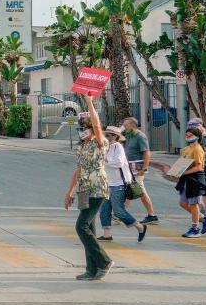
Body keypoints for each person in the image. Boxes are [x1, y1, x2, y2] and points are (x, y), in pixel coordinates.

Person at [63, 94, 112, 280]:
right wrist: (69, 192)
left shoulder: (100, 143)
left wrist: (89, 101)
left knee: (81, 226)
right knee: (89, 228)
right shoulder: (81, 147)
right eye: (80, 128)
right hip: (84, 189)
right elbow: (77, 170)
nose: (82, 130)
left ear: (92, 129)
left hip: (97, 187)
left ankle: (104, 261)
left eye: (85, 127)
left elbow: (98, 125)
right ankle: (92, 269)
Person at [97, 126, 149, 243]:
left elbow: (119, 163)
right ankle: (107, 235)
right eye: (105, 135)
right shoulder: (106, 148)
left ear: (115, 137)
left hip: (118, 184)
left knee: (118, 211)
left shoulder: (118, 147)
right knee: (104, 210)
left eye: (109, 135)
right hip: (107, 183)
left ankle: (140, 227)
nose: (106, 137)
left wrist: (104, 160)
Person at [122, 117, 158, 224]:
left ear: (132, 125)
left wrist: (144, 168)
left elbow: (146, 153)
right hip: (129, 166)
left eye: (126, 125)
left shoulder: (140, 136)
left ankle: (152, 215)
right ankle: (122, 213)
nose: (124, 127)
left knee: (139, 190)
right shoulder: (127, 136)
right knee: (130, 188)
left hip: (138, 167)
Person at [178, 127, 206, 238]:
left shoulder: (197, 149)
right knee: (183, 203)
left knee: (193, 204)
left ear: (197, 136)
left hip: (195, 179)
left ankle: (195, 228)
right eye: (187, 134)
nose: (188, 136)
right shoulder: (185, 149)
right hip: (186, 179)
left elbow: (199, 167)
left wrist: (184, 172)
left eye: (190, 134)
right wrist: (177, 171)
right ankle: (203, 218)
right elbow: (182, 163)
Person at [187, 118, 206, 220]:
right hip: (198, 164)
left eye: (193, 126)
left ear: (199, 125)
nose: (191, 128)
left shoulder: (204, 136)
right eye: (190, 126)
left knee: (204, 190)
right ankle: (202, 211)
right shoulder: (196, 135)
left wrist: (197, 154)